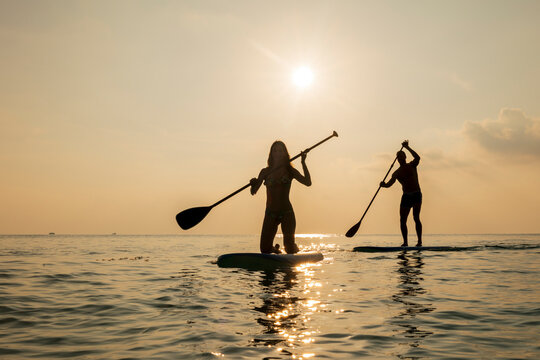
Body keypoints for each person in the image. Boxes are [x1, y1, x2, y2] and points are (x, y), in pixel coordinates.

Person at [250, 141, 312, 254]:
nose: (277, 153)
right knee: (264, 250)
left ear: (284, 153)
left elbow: (308, 182)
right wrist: (253, 183)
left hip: (286, 213)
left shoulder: (290, 170)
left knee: (289, 249)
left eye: (280, 150)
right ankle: (276, 250)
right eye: (275, 150)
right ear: (271, 154)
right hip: (270, 213)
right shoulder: (265, 172)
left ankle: (293, 247)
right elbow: (253, 192)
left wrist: (303, 162)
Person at [380, 140, 423, 247]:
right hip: (406, 196)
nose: (400, 158)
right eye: (398, 157)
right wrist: (383, 185)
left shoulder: (412, 165)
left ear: (405, 157)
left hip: (416, 194)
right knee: (402, 220)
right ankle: (405, 242)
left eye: (402, 156)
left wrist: (407, 148)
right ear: (397, 160)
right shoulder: (396, 172)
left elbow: (418, 157)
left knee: (416, 217)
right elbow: (390, 184)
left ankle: (419, 242)